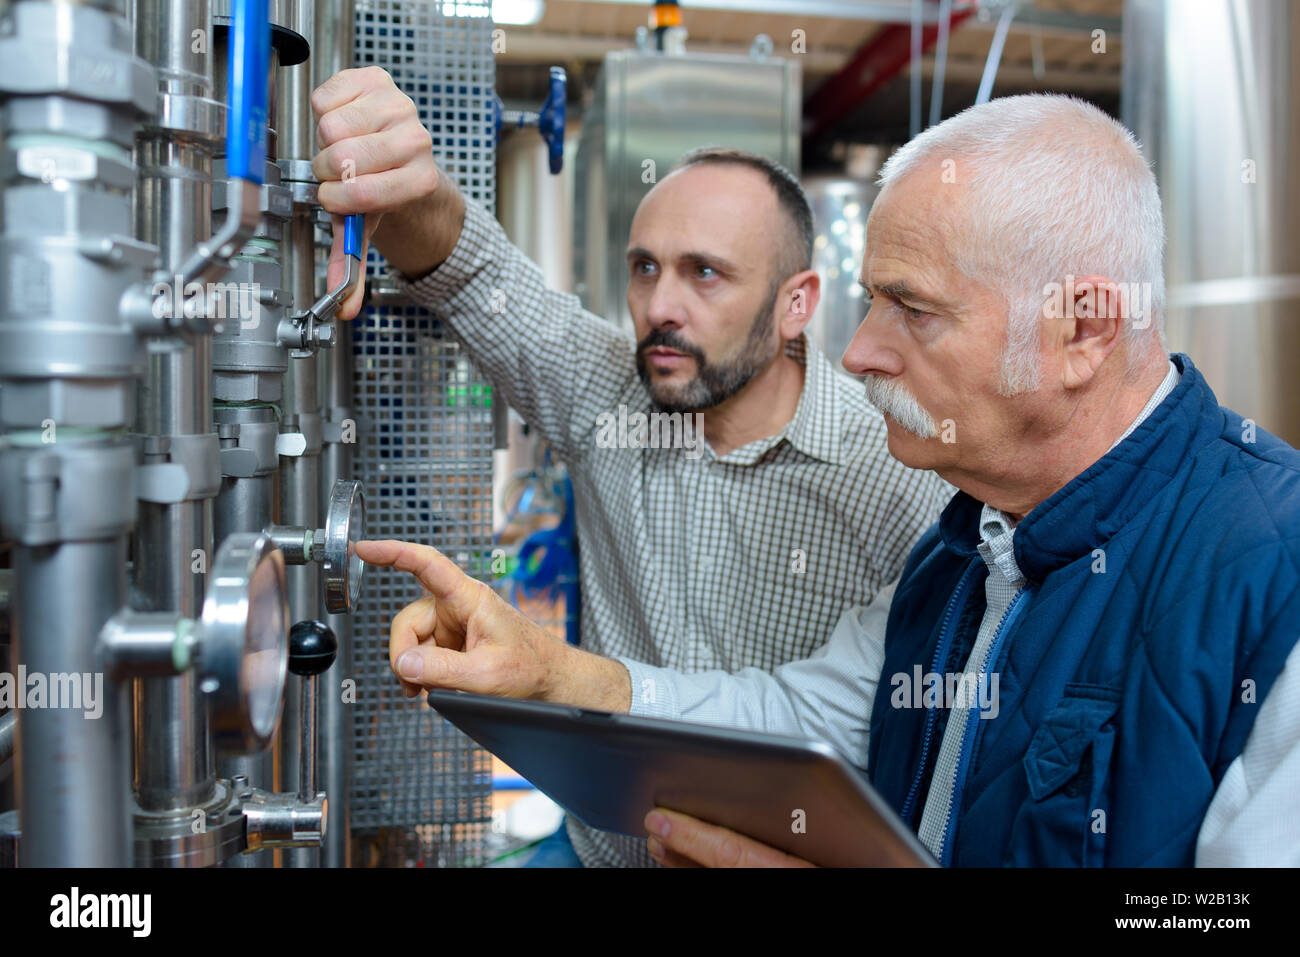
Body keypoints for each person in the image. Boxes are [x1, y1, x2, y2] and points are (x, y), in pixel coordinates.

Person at [352, 92, 1300, 867]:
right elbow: (803, 713)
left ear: (1084, 331)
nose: (863, 350)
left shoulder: (1270, 575)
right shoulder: (969, 546)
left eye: (912, 310)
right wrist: (549, 669)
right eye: (873, 298)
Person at [311, 66, 952, 866]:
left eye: (704, 272)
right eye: (644, 267)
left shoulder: (896, 478)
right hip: (600, 848)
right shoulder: (609, 395)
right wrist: (404, 185)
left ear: (798, 302)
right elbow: (472, 269)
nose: (660, 306)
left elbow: (888, 738)